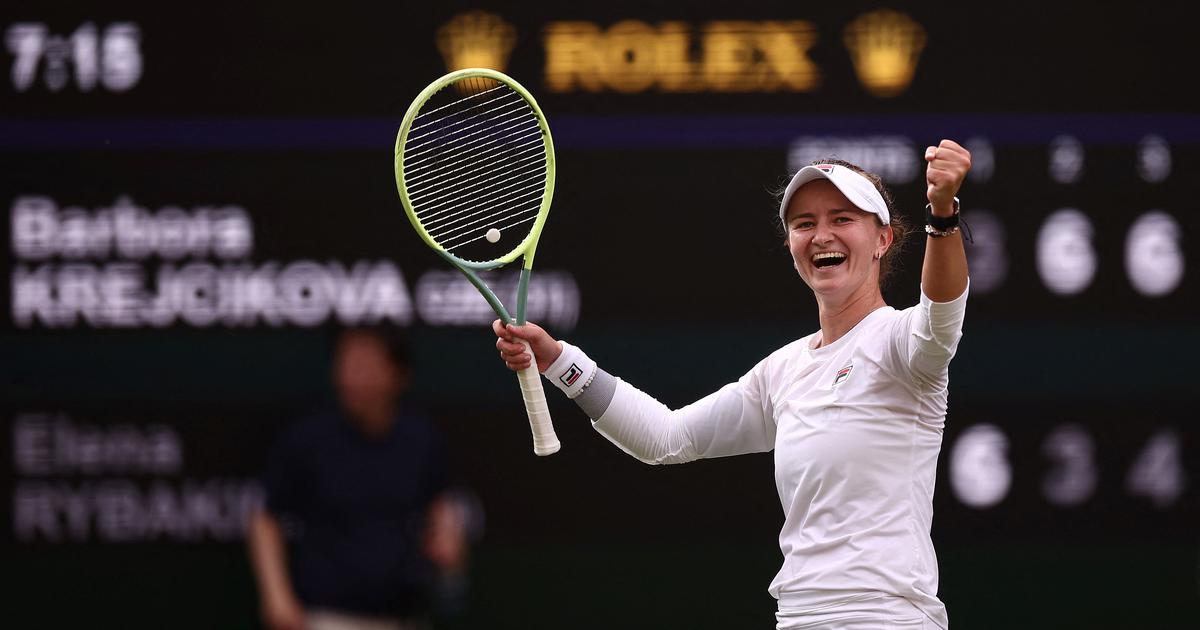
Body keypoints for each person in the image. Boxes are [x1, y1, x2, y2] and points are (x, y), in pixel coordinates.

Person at [493, 141, 972, 629]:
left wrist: (942, 215)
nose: (821, 235)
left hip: (886, 619)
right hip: (799, 618)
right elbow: (666, 437)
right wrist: (557, 360)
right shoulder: (782, 371)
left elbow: (941, 318)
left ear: (883, 240)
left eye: (842, 219)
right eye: (804, 224)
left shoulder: (901, 343)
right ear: (790, 244)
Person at [248, 327, 467, 630]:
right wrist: (276, 596)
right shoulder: (308, 439)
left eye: (365, 365)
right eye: (346, 364)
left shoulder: (420, 439)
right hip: (326, 616)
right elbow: (266, 519)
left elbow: (441, 503)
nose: (353, 377)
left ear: (397, 374)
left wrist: (447, 539)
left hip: (403, 615)